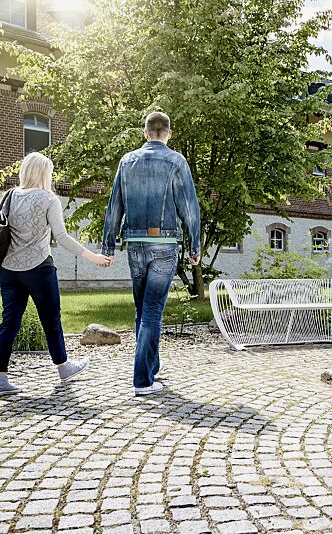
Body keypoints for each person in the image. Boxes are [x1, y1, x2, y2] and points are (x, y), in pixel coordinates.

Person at [0, 152, 111, 396]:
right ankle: (64, 367)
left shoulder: (9, 196)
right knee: (51, 320)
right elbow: (62, 237)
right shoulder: (48, 198)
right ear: (44, 173)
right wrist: (93, 257)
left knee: (9, 322)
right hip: (39, 268)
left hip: (10, 271)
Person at [101, 111, 201, 396]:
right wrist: (195, 246)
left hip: (135, 244)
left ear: (146, 133)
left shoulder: (127, 161)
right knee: (153, 310)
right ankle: (142, 380)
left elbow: (114, 206)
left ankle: (151, 366)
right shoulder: (176, 161)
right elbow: (189, 208)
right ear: (168, 132)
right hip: (165, 245)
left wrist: (108, 245)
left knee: (143, 309)